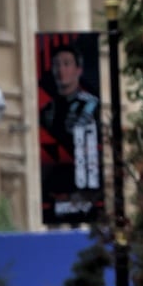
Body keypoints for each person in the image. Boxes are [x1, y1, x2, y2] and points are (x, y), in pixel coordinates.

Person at [39, 44, 101, 197]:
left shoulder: (90, 105)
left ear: (78, 70)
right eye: (56, 65)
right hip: (52, 183)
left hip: (85, 182)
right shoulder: (47, 111)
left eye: (66, 64)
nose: (61, 70)